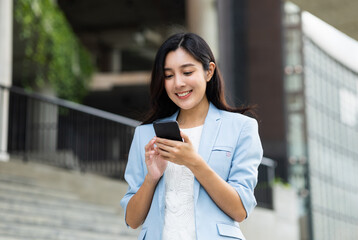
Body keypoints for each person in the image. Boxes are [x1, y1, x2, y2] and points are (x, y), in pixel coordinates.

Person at [120, 33, 263, 240]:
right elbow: (132, 220)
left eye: (187, 72)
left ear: (209, 71)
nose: (178, 83)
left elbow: (240, 210)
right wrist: (151, 178)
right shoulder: (145, 134)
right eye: (168, 75)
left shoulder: (242, 128)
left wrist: (194, 162)